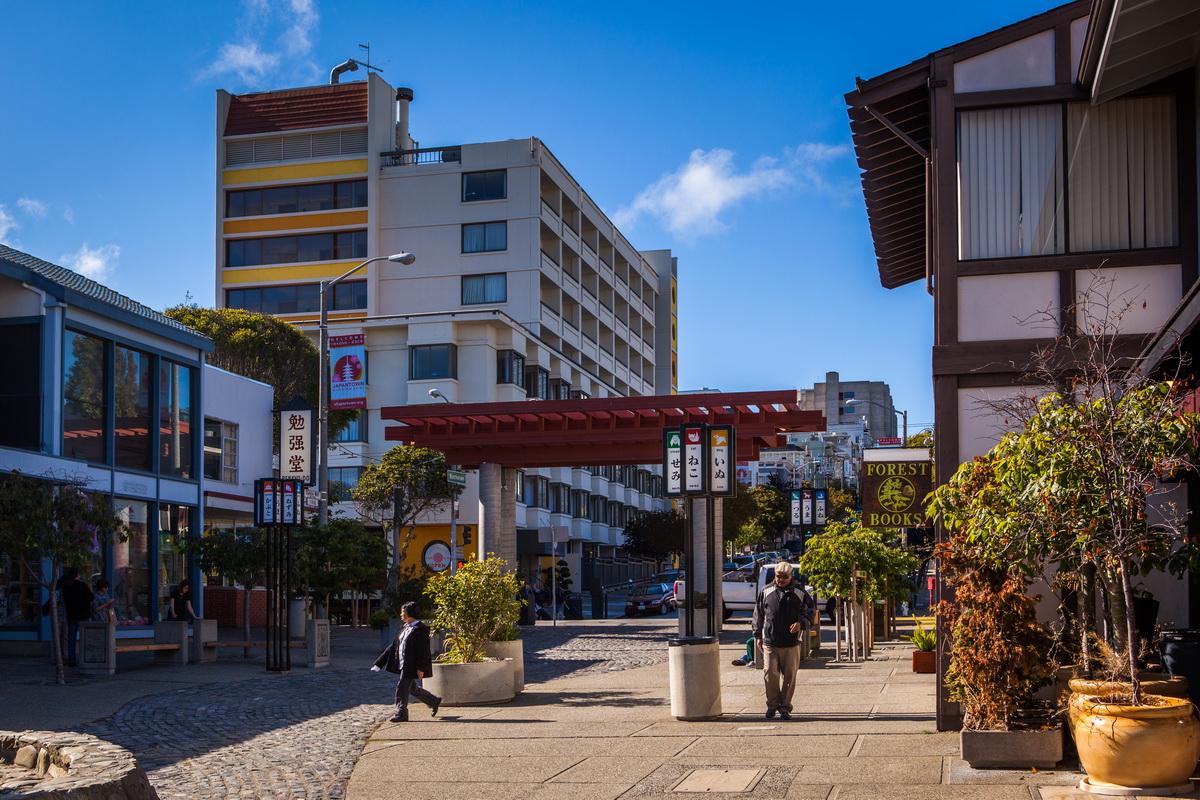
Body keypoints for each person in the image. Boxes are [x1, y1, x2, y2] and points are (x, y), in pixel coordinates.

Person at [751, 560, 814, 720]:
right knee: (769, 673)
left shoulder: (800, 592)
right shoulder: (766, 591)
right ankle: (772, 705)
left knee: (789, 675)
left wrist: (800, 623)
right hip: (770, 640)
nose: (781, 580)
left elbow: (810, 611)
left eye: (784, 577)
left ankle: (785, 707)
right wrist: (757, 634)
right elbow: (758, 614)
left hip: (791, 642)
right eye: (778, 576)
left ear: (791, 575)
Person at [371, 601, 442, 723]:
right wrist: (379, 663)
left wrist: (421, 668)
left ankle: (401, 714)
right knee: (411, 688)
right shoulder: (403, 628)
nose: (401, 614)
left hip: (412, 665)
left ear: (410, 613)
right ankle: (433, 701)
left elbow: (423, 651)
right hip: (403, 664)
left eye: (403, 611)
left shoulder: (420, 629)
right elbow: (393, 647)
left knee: (402, 688)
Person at [59, 567, 94, 667]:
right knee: (86, 638)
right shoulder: (82, 585)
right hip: (83, 614)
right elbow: (91, 597)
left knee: (71, 639)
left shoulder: (66, 587)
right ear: (77, 575)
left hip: (71, 615)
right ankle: (86, 658)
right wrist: (90, 590)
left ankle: (71, 659)